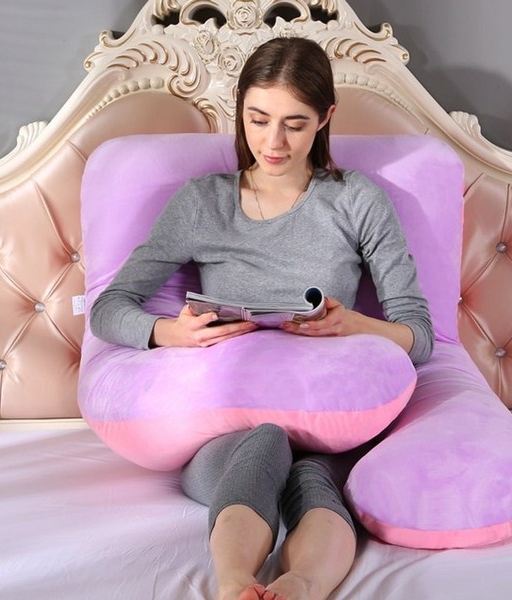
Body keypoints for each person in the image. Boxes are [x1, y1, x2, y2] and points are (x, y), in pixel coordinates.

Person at [90, 37, 433, 600]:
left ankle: (301, 586)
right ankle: (234, 585)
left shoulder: (358, 201)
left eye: (295, 125)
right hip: (229, 429)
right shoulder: (202, 202)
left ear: (325, 118)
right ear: (240, 110)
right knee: (266, 444)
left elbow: (419, 336)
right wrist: (169, 332)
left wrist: (353, 324)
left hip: (328, 422)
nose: (274, 143)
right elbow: (109, 308)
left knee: (313, 472)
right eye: (258, 120)